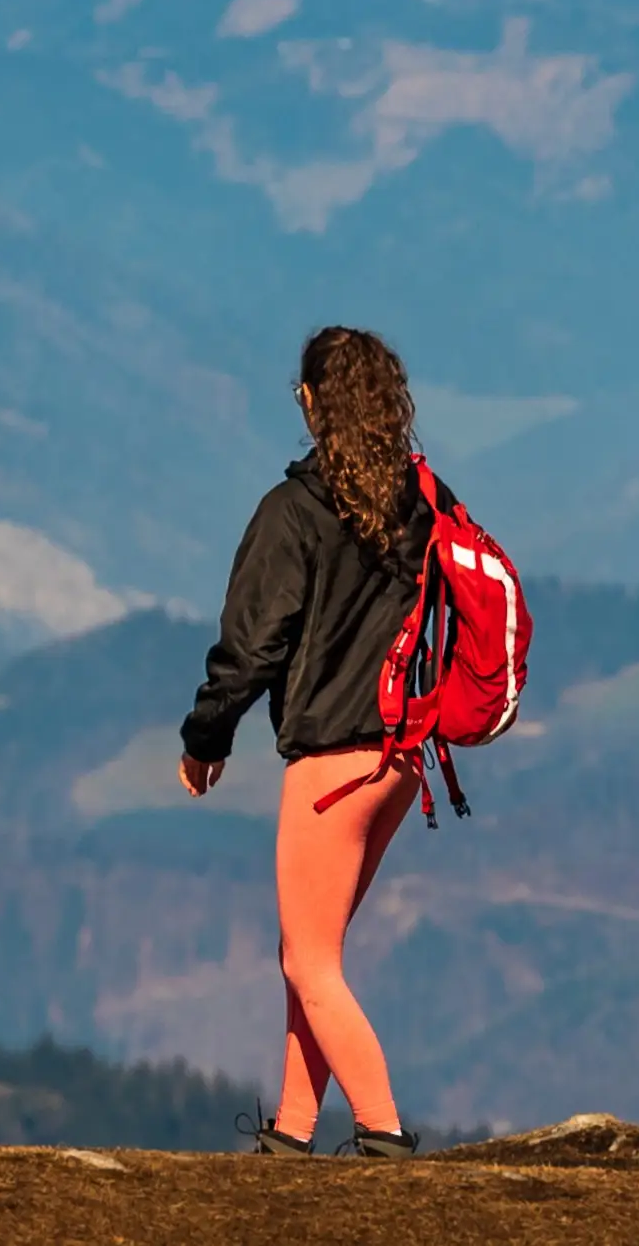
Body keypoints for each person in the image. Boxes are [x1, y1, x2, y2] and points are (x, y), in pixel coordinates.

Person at [179, 325, 433, 1160]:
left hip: (329, 764)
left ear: (313, 403)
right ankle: (291, 1130)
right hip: (399, 761)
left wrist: (206, 733)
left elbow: (254, 643)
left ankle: (384, 1131)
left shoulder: (293, 512)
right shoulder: (415, 504)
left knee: (311, 965)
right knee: (308, 949)